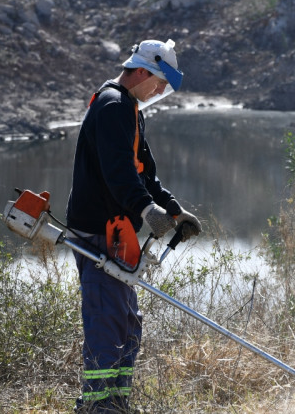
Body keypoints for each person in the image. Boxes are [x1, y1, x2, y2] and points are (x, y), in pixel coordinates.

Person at [65, 39, 201, 413]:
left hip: (117, 230)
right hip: (97, 230)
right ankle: (97, 407)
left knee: (127, 322)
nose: (160, 91)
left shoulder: (131, 110)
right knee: (107, 320)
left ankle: (117, 402)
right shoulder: (112, 106)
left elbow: (145, 173)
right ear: (141, 71)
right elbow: (118, 171)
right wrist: (146, 209)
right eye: (158, 82)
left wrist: (174, 211)